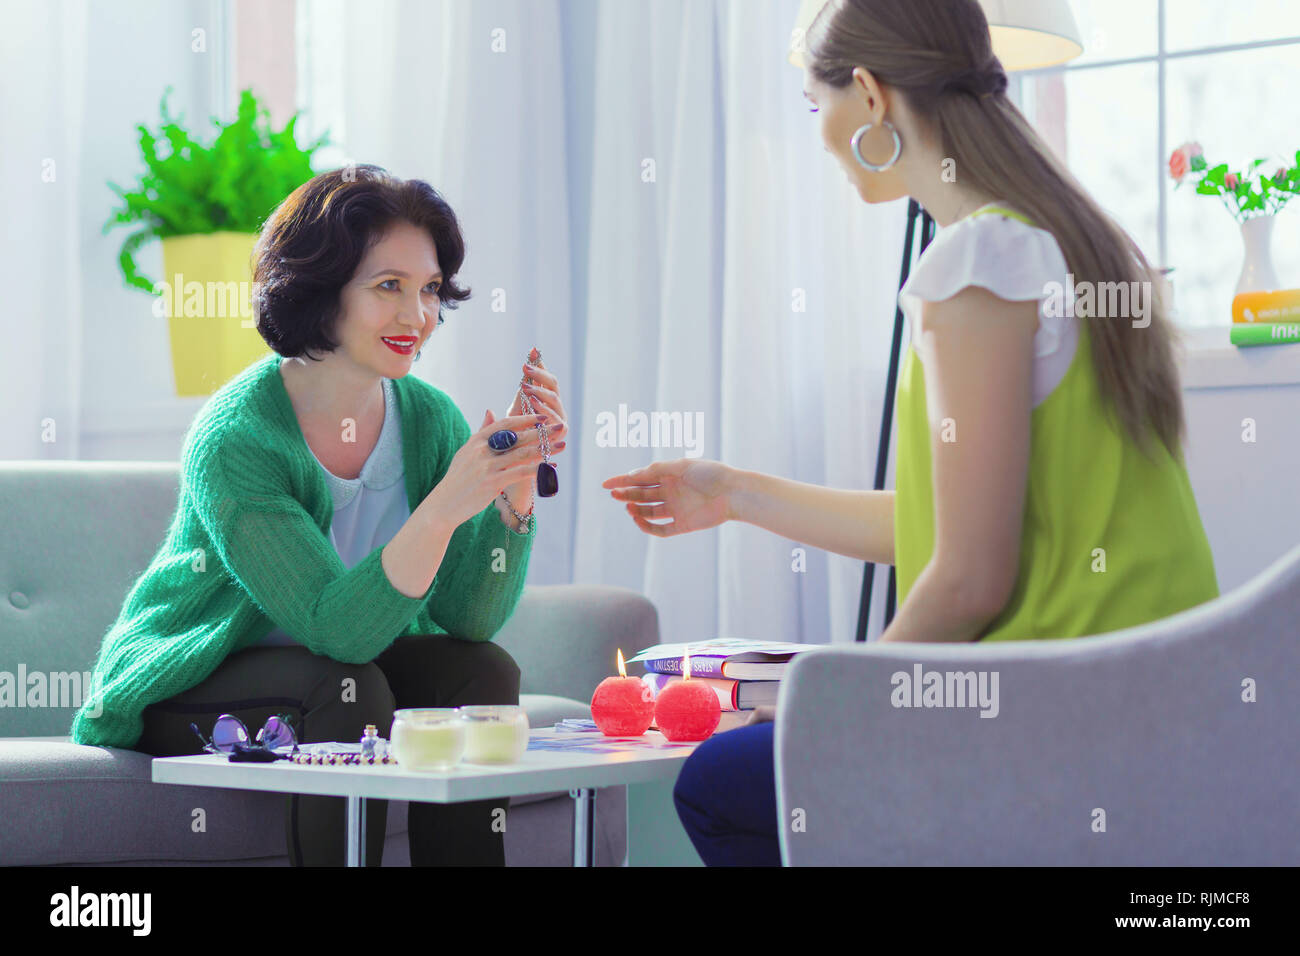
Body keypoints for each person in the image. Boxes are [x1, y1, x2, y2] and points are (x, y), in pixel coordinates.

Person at [601, 0, 1219, 866]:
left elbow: (967, 578)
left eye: (817, 109)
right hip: (1151, 699)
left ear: (869, 96)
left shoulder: (974, 263)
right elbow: (946, 527)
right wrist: (734, 491)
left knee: (719, 777)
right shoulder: (1064, 245)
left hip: (1054, 713)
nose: (818, 138)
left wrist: (836, 701)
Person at [70, 164, 569, 866]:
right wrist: (447, 504)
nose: (417, 316)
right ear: (318, 289)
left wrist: (512, 492)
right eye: (387, 287)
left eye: (428, 290)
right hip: (193, 685)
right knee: (347, 684)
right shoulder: (237, 439)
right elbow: (337, 630)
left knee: (480, 670)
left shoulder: (427, 417)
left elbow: (470, 621)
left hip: (332, 674)